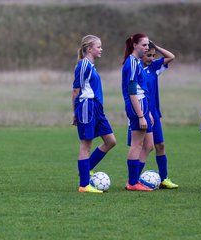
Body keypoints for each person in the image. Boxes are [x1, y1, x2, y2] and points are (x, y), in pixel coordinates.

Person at [127, 40, 178, 189]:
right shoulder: (136, 70)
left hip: (154, 113)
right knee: (143, 146)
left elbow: (171, 56)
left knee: (160, 145)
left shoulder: (154, 67)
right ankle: (133, 180)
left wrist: (155, 46)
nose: (151, 58)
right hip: (142, 112)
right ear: (141, 54)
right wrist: (144, 113)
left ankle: (164, 179)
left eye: (153, 55)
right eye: (149, 55)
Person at [72, 35, 117, 193]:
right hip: (87, 107)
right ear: (89, 49)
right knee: (86, 145)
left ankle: (86, 169)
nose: (101, 49)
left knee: (111, 141)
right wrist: (75, 112)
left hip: (97, 108)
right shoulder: (83, 65)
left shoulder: (91, 66)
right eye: (98, 47)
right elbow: (76, 90)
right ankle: (84, 185)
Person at [122, 33, 154, 191]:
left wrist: (147, 113)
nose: (147, 48)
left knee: (148, 145)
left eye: (148, 45)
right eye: (143, 45)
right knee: (137, 144)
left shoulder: (137, 62)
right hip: (137, 105)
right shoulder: (133, 63)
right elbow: (132, 92)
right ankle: (133, 182)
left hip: (143, 106)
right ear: (134, 45)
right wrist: (141, 115)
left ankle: (134, 180)